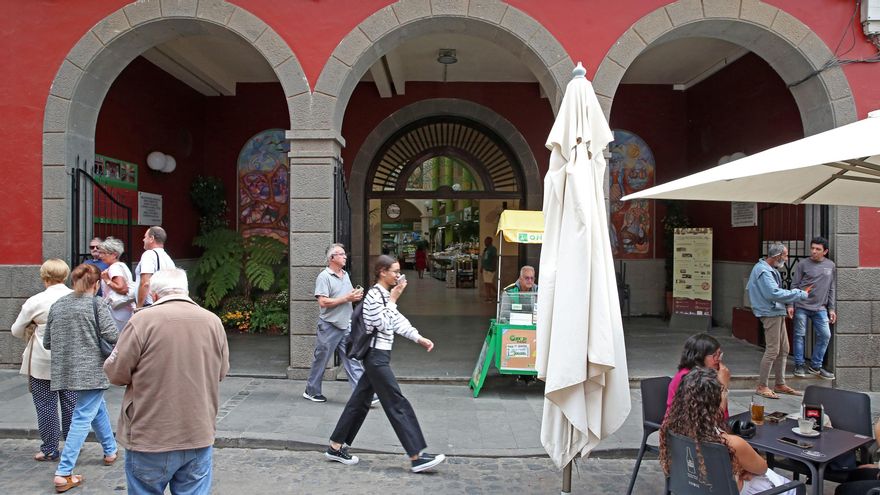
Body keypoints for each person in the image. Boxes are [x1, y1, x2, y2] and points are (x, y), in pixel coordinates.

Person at [104, 268, 229, 495]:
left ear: (154, 294)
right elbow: (221, 371)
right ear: (186, 290)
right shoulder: (213, 321)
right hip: (197, 431)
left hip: (150, 433)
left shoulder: (142, 321)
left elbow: (116, 374)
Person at [325, 255, 445, 473]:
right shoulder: (373, 296)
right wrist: (394, 299)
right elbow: (379, 323)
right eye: (395, 271)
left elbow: (396, 321)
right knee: (396, 402)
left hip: (380, 356)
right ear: (382, 272)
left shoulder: (384, 295)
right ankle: (417, 455)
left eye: (399, 272)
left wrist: (418, 337)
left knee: (359, 401)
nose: (398, 276)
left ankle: (335, 446)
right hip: (375, 357)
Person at [660, 367, 797, 495]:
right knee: (795, 488)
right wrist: (741, 469)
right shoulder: (731, 443)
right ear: (716, 403)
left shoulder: (674, 432)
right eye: (724, 392)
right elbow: (762, 468)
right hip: (758, 489)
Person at [44, 263, 119, 493]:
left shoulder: (58, 305)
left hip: (66, 370)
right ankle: (64, 472)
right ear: (96, 285)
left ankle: (110, 450)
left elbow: (47, 342)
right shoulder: (97, 304)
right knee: (82, 417)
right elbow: (112, 335)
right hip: (91, 371)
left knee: (96, 408)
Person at [10, 259, 75, 462]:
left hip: (41, 361)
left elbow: (16, 330)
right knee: (72, 406)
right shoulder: (77, 298)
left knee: (45, 405)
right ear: (65, 276)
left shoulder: (35, 301)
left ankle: (49, 448)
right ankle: (73, 447)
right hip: (72, 360)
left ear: (44, 277)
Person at [303, 243, 369, 404]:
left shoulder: (345, 274)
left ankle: (363, 394)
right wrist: (346, 299)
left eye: (344, 254)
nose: (345, 256)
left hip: (346, 325)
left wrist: (354, 295)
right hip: (329, 326)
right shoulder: (324, 277)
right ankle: (311, 391)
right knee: (321, 359)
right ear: (332, 258)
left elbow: (346, 295)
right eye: (341, 254)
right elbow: (323, 302)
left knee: (353, 359)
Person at [746, 242, 809, 399]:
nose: (787, 259)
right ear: (777, 256)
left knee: (784, 349)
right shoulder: (763, 271)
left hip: (776, 311)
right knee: (773, 349)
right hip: (770, 312)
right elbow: (773, 293)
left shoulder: (768, 269)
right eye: (785, 255)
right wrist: (799, 294)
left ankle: (780, 384)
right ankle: (762, 386)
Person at [788, 236, 836, 380]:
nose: (814, 251)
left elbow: (832, 288)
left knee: (826, 335)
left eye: (818, 249)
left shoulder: (830, 265)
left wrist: (832, 309)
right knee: (799, 335)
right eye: (812, 248)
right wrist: (791, 304)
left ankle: (815, 366)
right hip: (802, 305)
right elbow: (794, 285)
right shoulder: (803, 264)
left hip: (820, 308)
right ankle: (799, 365)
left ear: (825, 251)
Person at [667, 333, 730, 419]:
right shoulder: (690, 378)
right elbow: (714, 420)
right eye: (715, 355)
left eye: (720, 354)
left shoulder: (708, 374)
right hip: (686, 428)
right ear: (699, 356)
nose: (718, 359)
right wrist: (724, 386)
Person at [97, 236, 135, 331]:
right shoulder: (122, 266)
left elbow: (122, 288)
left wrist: (107, 280)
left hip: (117, 310)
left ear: (114, 255)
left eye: (103, 253)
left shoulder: (114, 267)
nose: (100, 256)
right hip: (123, 308)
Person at [134, 226, 175, 309]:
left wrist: (139, 307)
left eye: (145, 237)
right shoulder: (168, 259)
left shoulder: (149, 254)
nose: (143, 240)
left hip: (150, 305)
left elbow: (145, 283)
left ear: (151, 238)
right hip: (165, 304)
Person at [480, 236, 498, 302]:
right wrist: (482, 267)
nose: (485, 242)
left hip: (490, 268)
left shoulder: (493, 249)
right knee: (487, 283)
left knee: (489, 283)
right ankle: (489, 296)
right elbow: (483, 258)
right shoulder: (486, 249)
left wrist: (494, 266)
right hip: (485, 268)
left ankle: (493, 295)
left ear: (490, 241)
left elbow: (494, 258)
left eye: (486, 241)